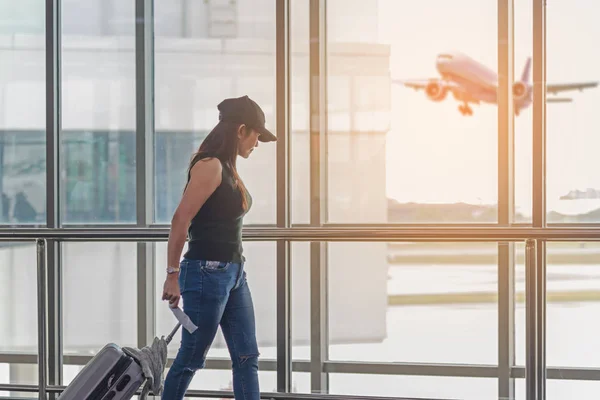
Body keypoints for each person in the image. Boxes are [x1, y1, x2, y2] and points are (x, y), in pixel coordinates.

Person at [161, 95, 276, 400]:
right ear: (241, 130)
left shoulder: (227, 167)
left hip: (234, 273)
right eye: (257, 135)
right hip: (206, 272)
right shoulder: (210, 165)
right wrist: (172, 274)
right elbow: (180, 220)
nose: (257, 143)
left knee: (246, 357)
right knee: (191, 359)